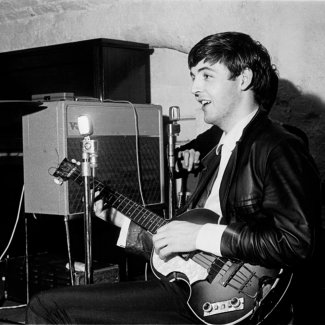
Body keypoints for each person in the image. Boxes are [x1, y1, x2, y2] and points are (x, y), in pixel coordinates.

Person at [25, 32, 322, 325]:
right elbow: (179, 244)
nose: (194, 87)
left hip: (243, 304)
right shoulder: (217, 154)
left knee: (48, 308)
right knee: (48, 303)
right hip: (194, 293)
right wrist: (116, 217)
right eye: (193, 76)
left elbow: (295, 242)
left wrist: (199, 235)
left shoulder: (278, 146)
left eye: (206, 76)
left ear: (243, 79)